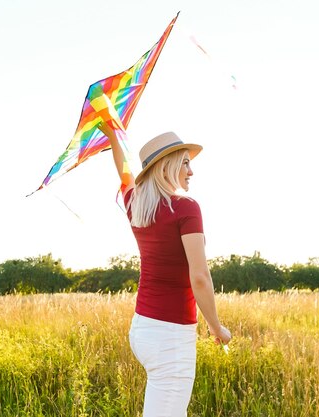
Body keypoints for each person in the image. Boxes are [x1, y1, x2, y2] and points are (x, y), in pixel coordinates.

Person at [99, 122, 232, 417]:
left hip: (143, 330)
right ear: (166, 166)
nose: (191, 171)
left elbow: (124, 172)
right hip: (171, 339)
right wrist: (216, 327)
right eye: (185, 162)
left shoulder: (136, 204)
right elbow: (199, 277)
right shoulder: (186, 208)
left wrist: (113, 137)